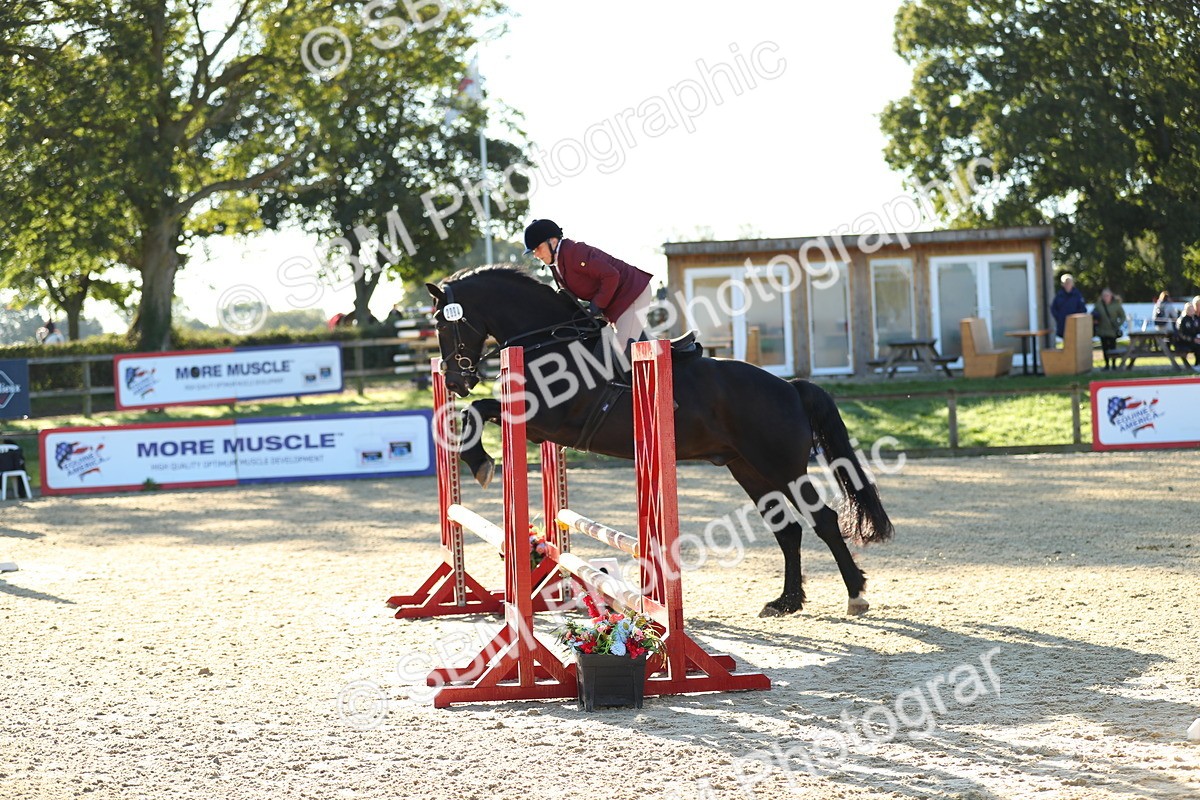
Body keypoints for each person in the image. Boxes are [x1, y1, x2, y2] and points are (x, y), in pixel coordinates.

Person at [523, 219, 653, 347]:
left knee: (622, 348)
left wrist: (597, 304)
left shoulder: (575, 252)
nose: (536, 255)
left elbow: (611, 275)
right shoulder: (555, 264)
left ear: (552, 241)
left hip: (632, 293)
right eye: (533, 251)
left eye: (538, 248)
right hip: (616, 305)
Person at [1092, 288, 1126, 370]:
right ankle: (1107, 365)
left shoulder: (1116, 305)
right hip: (1102, 330)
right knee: (1105, 348)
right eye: (1104, 295)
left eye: (1107, 295)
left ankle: (1114, 365)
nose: (1105, 297)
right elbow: (1093, 314)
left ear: (1111, 296)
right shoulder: (1098, 305)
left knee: (1113, 348)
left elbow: (1122, 316)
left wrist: (1118, 324)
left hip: (1112, 331)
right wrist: (1095, 320)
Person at [1050, 274, 1087, 340]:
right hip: (1063, 325)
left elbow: (1083, 309)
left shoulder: (1077, 295)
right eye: (1065, 283)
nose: (1067, 285)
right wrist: (1059, 317)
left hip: (1075, 325)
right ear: (1063, 284)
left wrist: (1075, 317)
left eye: (1069, 283)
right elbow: (1053, 308)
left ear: (1072, 283)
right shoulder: (1059, 295)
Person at [1175, 300, 1200, 370]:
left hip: (1194, 340)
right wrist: (1192, 339)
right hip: (1184, 343)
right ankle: (1197, 365)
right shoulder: (1182, 320)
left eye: (1192, 309)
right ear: (1186, 310)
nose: (1192, 311)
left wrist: (1197, 337)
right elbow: (1181, 334)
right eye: (1190, 309)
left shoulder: (1195, 319)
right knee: (1198, 347)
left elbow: (1197, 330)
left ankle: (1197, 364)